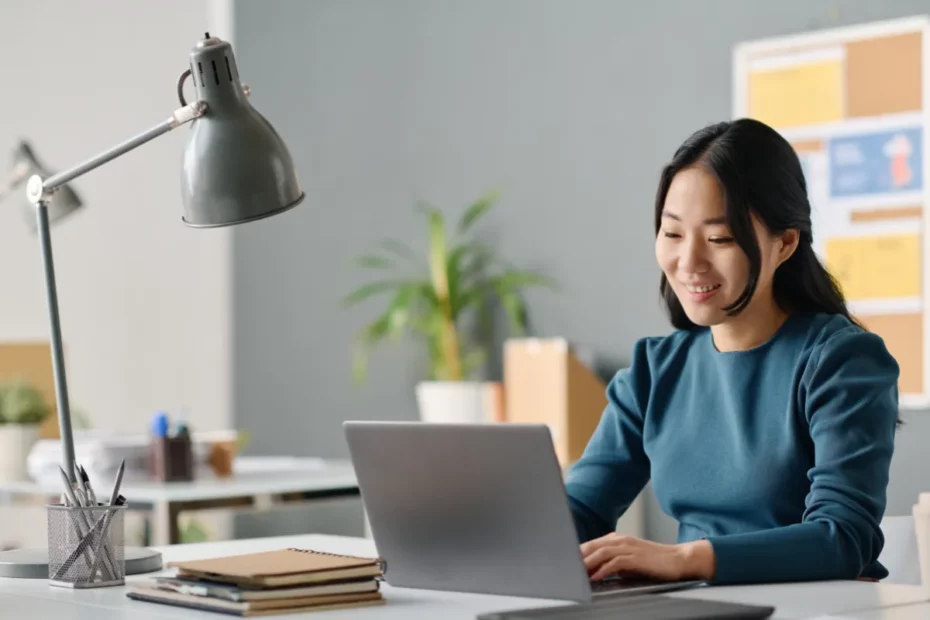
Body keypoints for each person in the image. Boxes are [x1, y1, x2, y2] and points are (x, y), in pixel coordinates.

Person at [564, 118, 900, 586]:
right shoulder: (654, 370)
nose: (688, 262)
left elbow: (842, 538)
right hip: (689, 605)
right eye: (673, 234)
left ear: (784, 244)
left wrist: (683, 559)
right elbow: (580, 508)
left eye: (719, 238)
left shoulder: (841, 361)